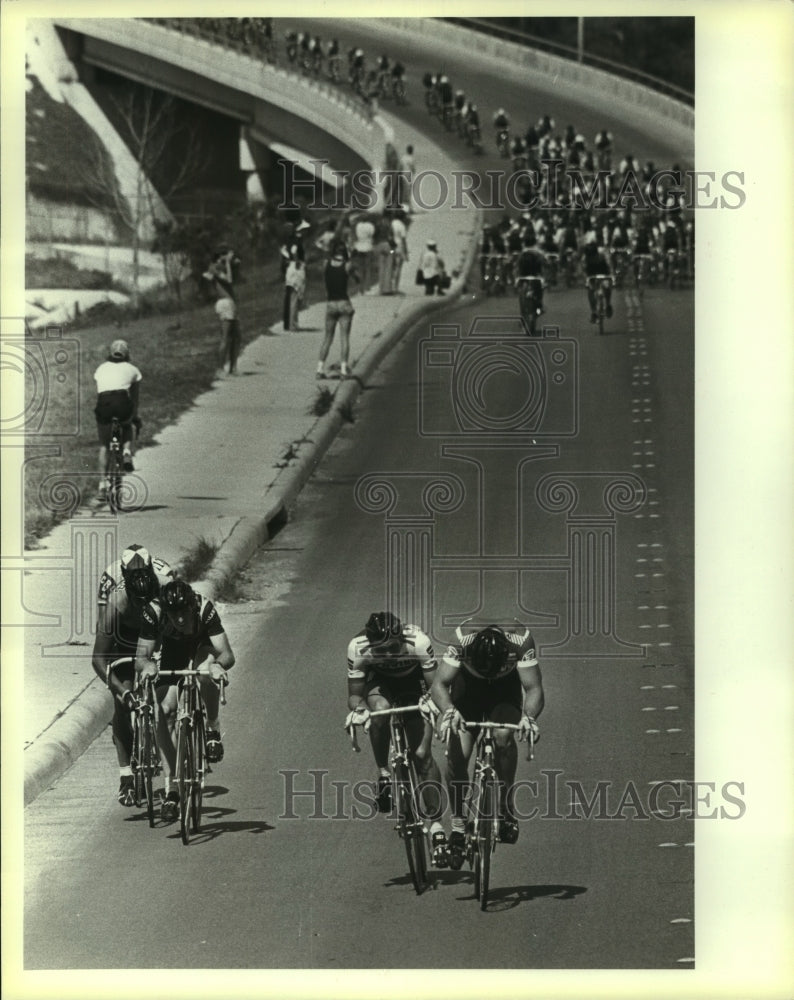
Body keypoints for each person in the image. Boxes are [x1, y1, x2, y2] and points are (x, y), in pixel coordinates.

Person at [427, 623, 544, 869]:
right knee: (459, 753)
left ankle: (505, 805)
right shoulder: (461, 640)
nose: (490, 671)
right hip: (469, 689)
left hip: (504, 691)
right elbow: (438, 685)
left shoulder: (520, 640)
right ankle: (458, 824)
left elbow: (533, 688)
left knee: (503, 738)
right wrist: (449, 711)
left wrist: (528, 717)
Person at [344, 612, 450, 867]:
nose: (389, 655)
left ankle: (435, 823)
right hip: (380, 683)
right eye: (382, 651)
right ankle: (383, 773)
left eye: (393, 648)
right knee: (379, 713)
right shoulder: (357, 647)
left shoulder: (418, 642)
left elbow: (434, 689)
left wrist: (429, 706)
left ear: (401, 638)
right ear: (370, 645)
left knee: (422, 755)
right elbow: (355, 696)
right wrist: (358, 712)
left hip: (415, 685)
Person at [136, 578, 235, 821]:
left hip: (201, 646)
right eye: (174, 614)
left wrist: (219, 667)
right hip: (171, 651)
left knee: (205, 673)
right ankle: (172, 786)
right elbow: (141, 656)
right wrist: (147, 666)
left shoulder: (204, 609)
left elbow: (226, 653)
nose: (180, 619)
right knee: (164, 712)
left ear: (191, 606)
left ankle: (212, 727)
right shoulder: (154, 612)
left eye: (184, 612)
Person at [91, 545, 176, 806]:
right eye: (136, 600)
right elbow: (99, 658)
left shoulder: (166, 579)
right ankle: (126, 775)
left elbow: (178, 625)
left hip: (158, 631)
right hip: (124, 636)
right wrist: (122, 691)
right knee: (122, 701)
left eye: (146, 597)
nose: (141, 605)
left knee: (166, 695)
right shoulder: (114, 593)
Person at [93, 339, 141, 502]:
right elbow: (134, 399)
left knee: (105, 446)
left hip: (104, 405)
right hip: (122, 404)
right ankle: (127, 452)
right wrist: (133, 417)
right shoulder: (133, 370)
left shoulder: (101, 369)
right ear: (127, 354)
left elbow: (99, 392)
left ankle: (102, 485)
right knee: (127, 425)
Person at [317, 242, 358, 380]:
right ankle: (344, 370)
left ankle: (319, 369)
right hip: (344, 303)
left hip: (330, 304)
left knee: (327, 338)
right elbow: (356, 277)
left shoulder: (326, 264)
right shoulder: (347, 265)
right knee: (344, 338)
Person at [582, 242, 614, 321]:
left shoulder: (602, 255)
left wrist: (612, 276)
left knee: (607, 287)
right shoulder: (585, 258)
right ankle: (593, 312)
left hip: (604, 272)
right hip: (591, 274)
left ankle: (608, 304)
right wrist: (586, 279)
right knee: (590, 291)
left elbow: (609, 265)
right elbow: (584, 270)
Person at [215, 291, 241, 375]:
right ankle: (220, 369)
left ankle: (232, 368)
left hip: (230, 302)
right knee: (225, 338)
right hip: (225, 303)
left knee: (236, 337)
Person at [284, 256, 306, 331]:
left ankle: (294, 323)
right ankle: (292, 325)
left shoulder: (291, 265)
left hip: (292, 284)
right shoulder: (297, 265)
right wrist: (299, 288)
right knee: (294, 305)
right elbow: (301, 277)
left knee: (295, 305)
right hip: (294, 285)